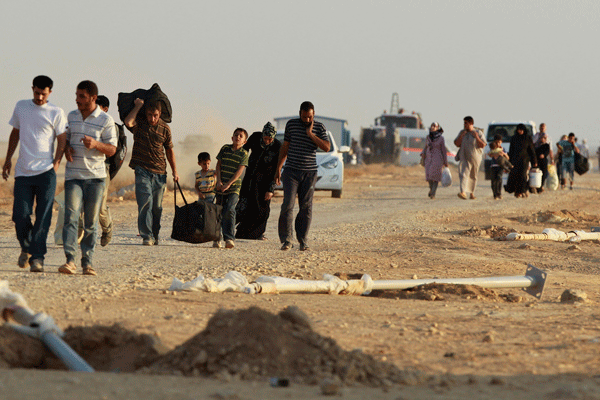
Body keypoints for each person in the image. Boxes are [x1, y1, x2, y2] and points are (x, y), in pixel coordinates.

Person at [2, 75, 67, 272]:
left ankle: (37, 258)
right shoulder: (21, 107)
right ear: (32, 89)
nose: (39, 97)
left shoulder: (56, 112)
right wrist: (7, 160)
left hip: (46, 172)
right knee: (19, 215)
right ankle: (27, 247)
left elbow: (62, 138)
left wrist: (56, 162)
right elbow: (15, 134)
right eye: (37, 93)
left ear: (50, 92)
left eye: (43, 94)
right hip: (23, 172)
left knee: (43, 217)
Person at [58, 80, 117, 276]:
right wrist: (66, 149)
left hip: (96, 178)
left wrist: (96, 144)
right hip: (73, 176)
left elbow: (112, 150)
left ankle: (87, 262)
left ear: (93, 98)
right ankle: (70, 260)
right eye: (76, 96)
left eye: (81, 96)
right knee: (71, 218)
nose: (77, 100)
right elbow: (65, 139)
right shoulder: (72, 116)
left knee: (91, 223)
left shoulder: (106, 120)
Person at [275, 101, 330, 251]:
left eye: (310, 117)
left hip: (309, 173)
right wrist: (278, 168)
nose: (307, 120)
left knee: (306, 207)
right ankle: (287, 240)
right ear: (300, 113)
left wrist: (310, 134)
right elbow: (285, 147)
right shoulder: (291, 125)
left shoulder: (319, 127)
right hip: (291, 171)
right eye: (304, 117)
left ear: (314, 115)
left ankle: (303, 240)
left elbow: (326, 147)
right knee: (288, 205)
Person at [124, 98, 179, 246]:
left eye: (155, 115)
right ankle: (147, 235)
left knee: (157, 208)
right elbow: (128, 122)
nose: (152, 118)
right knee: (145, 203)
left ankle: (155, 234)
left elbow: (169, 151)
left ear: (160, 113)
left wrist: (175, 171)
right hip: (142, 170)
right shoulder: (140, 123)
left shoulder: (165, 129)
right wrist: (138, 106)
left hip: (160, 173)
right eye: (149, 115)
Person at [235, 122, 281, 240]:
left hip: (265, 182)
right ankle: (236, 232)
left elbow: (277, 169)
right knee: (243, 207)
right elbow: (244, 150)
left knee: (262, 210)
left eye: (269, 139)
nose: (267, 141)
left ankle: (257, 234)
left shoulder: (277, 146)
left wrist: (270, 189)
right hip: (250, 179)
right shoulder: (255, 137)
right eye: (265, 138)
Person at [214, 128, 249, 249]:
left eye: (241, 136)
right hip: (220, 185)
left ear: (245, 141)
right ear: (232, 137)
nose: (238, 137)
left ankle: (229, 238)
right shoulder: (225, 149)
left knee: (229, 209)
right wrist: (218, 181)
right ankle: (216, 237)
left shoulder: (244, 153)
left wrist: (228, 184)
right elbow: (218, 165)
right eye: (236, 135)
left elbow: (239, 171)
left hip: (234, 187)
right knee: (218, 211)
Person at [454, 116, 486, 200]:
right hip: (464, 157)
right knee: (463, 174)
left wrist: (477, 137)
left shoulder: (478, 132)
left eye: (466, 123)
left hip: (475, 158)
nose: (464, 125)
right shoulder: (462, 132)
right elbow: (457, 144)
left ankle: (472, 193)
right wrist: (461, 136)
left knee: (473, 176)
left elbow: (483, 145)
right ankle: (463, 192)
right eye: (464, 123)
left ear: (471, 123)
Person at [504, 123, 537, 198]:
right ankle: (516, 191)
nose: (520, 131)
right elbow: (511, 150)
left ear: (524, 130)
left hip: (524, 160)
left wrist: (534, 161)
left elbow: (531, 150)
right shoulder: (513, 138)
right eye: (519, 130)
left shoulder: (528, 138)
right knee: (514, 175)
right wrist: (509, 161)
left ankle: (521, 191)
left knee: (522, 176)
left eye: (521, 130)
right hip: (515, 160)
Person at [420, 122, 448, 199]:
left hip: (438, 159)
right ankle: (431, 189)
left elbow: (443, 150)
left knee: (435, 177)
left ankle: (433, 193)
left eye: (434, 126)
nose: (433, 127)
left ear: (437, 128)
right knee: (429, 176)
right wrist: (423, 153)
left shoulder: (441, 138)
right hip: (428, 159)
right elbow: (425, 147)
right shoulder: (428, 137)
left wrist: (445, 162)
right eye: (432, 125)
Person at [487, 135, 512, 199]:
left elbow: (508, 158)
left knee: (499, 178)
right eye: (497, 142)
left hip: (500, 166)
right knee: (493, 181)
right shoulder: (492, 148)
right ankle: (495, 194)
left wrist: (503, 154)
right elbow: (490, 154)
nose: (498, 144)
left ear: (501, 142)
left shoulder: (503, 149)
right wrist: (496, 154)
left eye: (499, 142)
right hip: (493, 166)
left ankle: (499, 193)